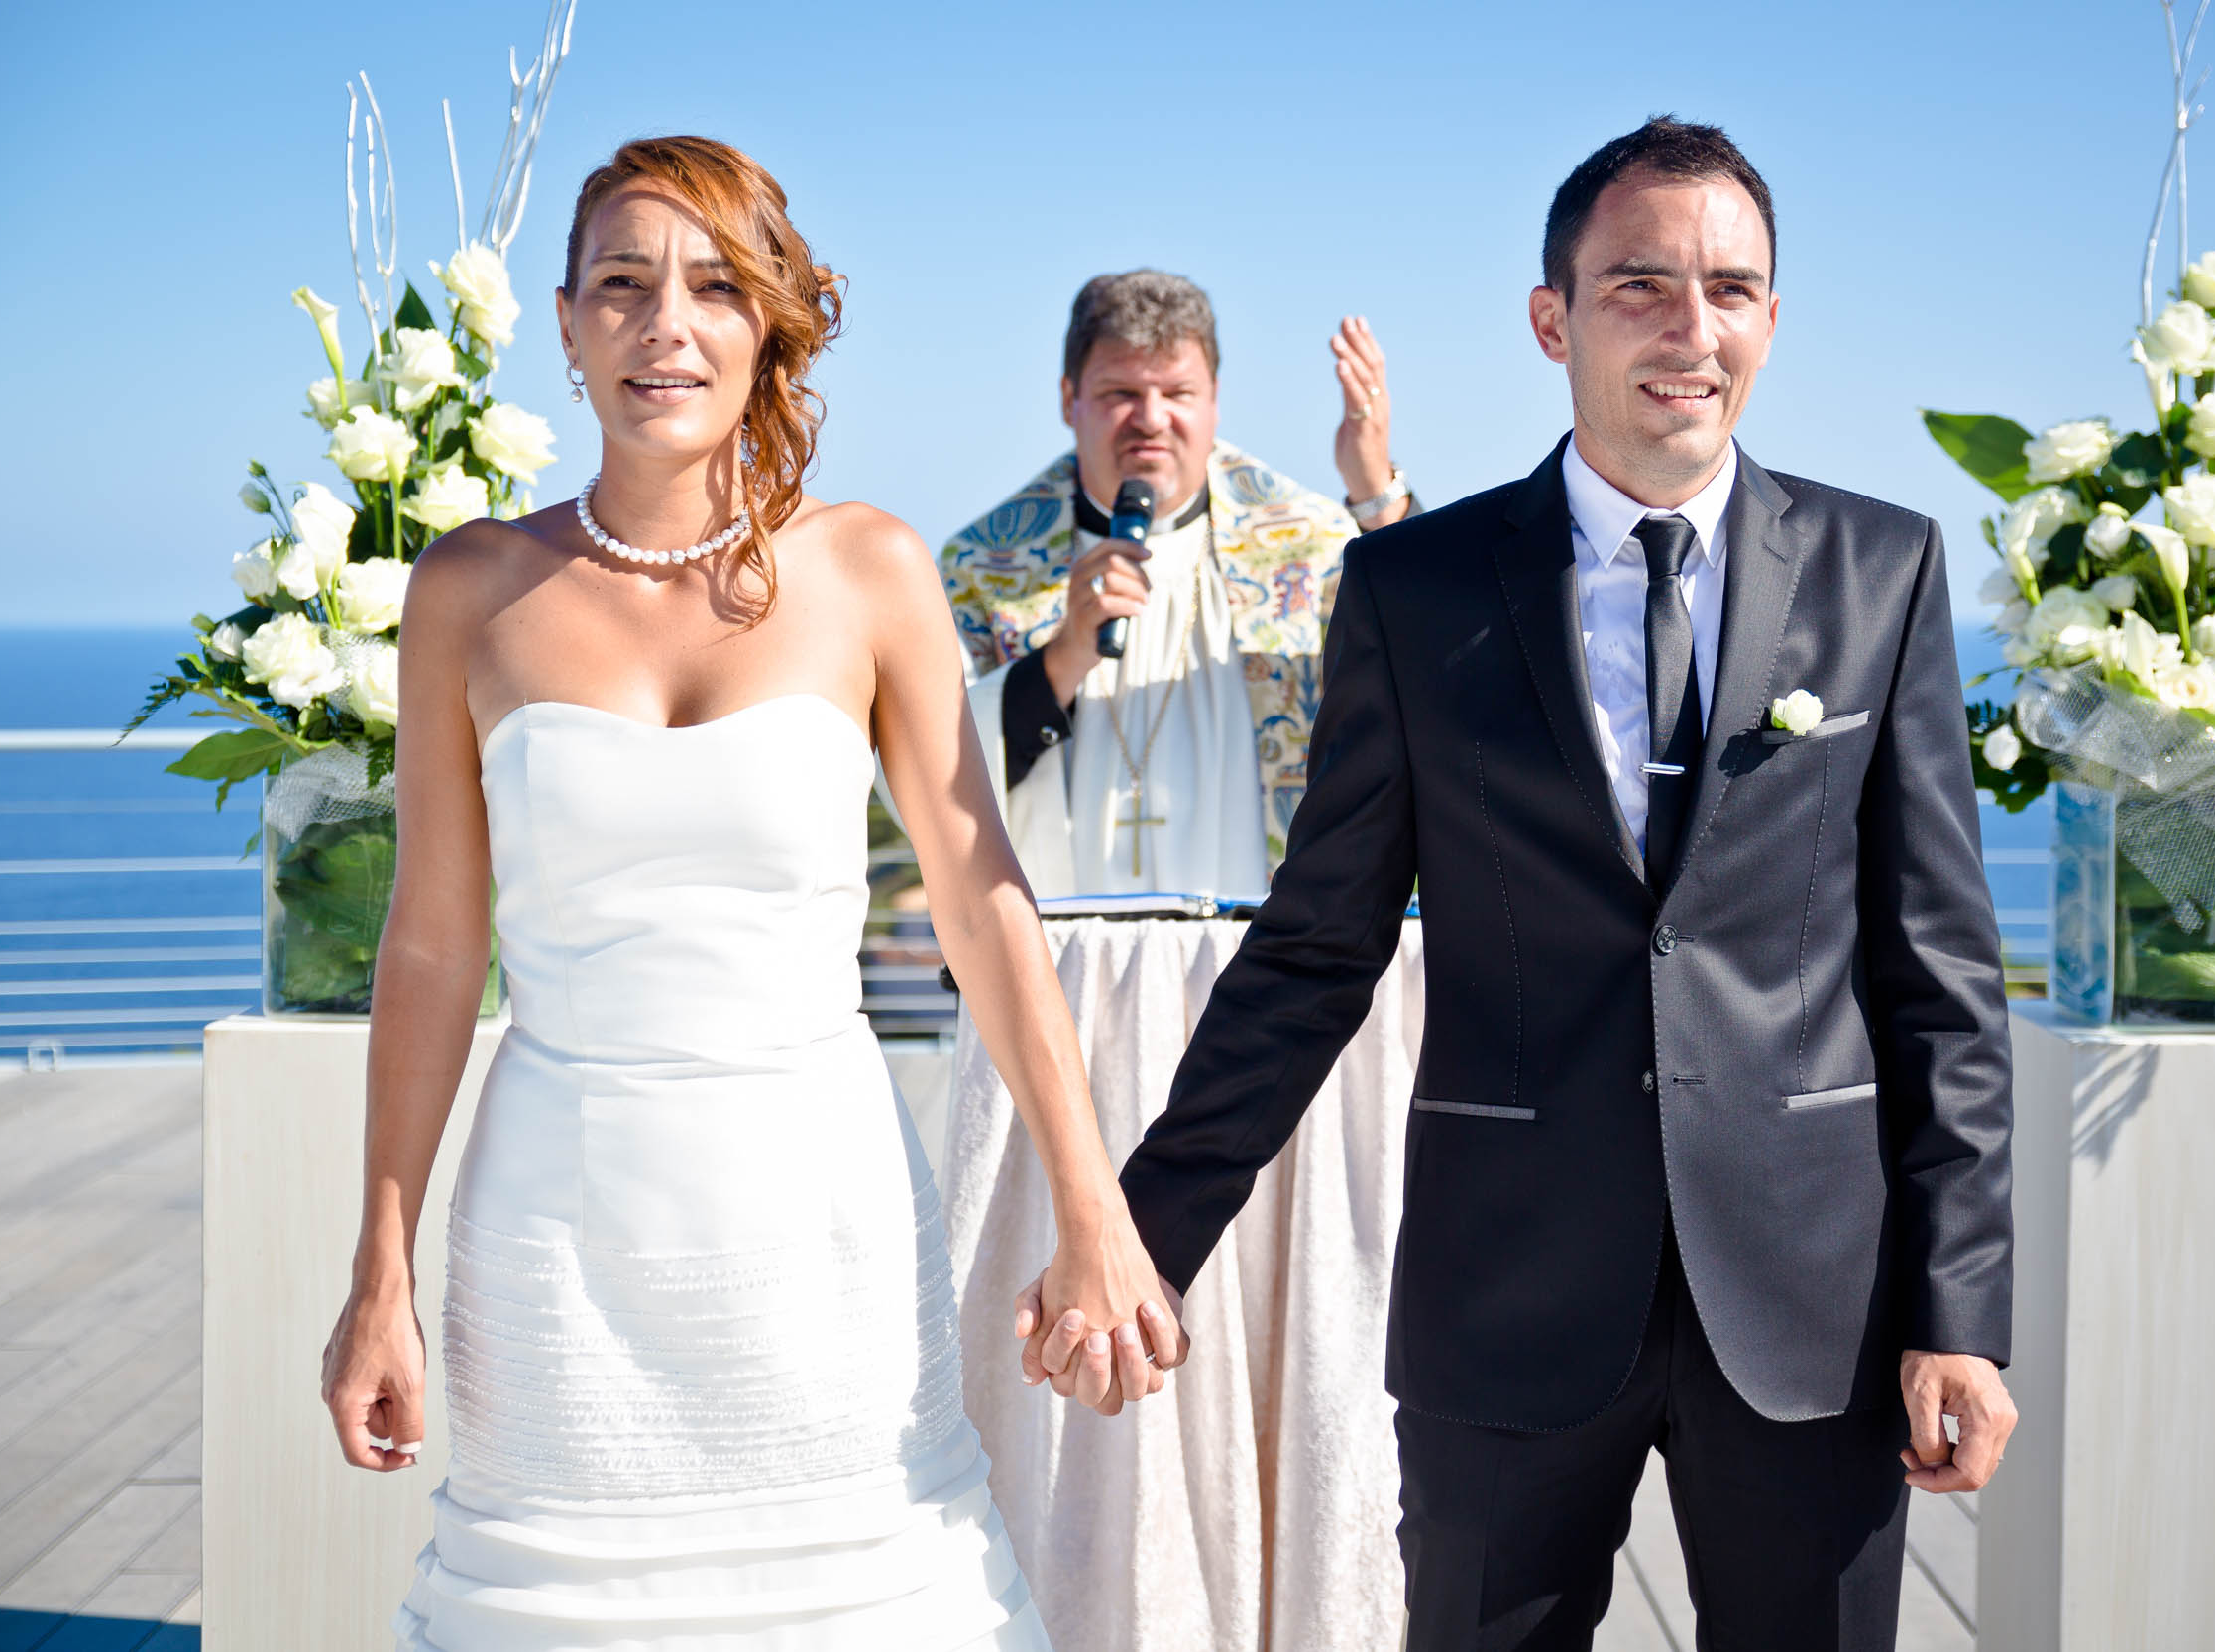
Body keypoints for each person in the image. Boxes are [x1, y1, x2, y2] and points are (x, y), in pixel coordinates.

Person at [1025, 117, 2019, 1649]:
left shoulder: (1882, 567)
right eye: (1641, 285)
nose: (1693, 330)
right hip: (1508, 1293)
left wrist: (1959, 1312)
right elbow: (1317, 948)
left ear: (1771, 317)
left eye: (1732, 289)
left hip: (1817, 1301)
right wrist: (1141, 1232)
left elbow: (1939, 974)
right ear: (1552, 316)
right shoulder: (1418, 589)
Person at [315, 135, 1182, 1651]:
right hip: (553, 1228)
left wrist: (1091, 1207)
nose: (668, 325)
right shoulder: (467, 589)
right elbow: (436, 945)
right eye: (624, 286)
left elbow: (984, 908)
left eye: (715, 286)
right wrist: (379, 1266)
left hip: (823, 1222)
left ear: (771, 322)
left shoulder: (868, 571)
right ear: (571, 324)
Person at [939, 271, 1414, 897]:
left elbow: (1425, 683)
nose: (1151, 419)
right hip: (1062, 954)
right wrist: (1060, 661)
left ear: (1214, 397)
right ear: (1067, 398)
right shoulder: (982, 567)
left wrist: (1376, 496)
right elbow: (928, 774)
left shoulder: (1313, 543)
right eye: (1120, 393)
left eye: (1178, 392)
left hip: (1263, 956)